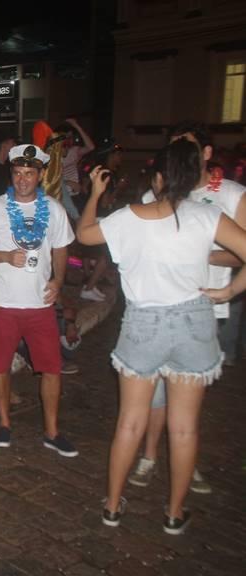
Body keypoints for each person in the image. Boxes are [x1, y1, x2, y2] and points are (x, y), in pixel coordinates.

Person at [77, 140, 246, 534]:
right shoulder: (208, 216)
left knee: (129, 422)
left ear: (156, 178)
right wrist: (229, 291)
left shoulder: (128, 217)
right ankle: (173, 514)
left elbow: (84, 234)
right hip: (194, 323)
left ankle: (113, 506)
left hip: (144, 324)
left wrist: (96, 194)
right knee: (184, 428)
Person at [127, 122, 246, 495]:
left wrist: (208, 261)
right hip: (157, 307)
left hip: (204, 308)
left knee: (187, 399)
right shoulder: (154, 194)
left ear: (206, 153)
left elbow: (240, 252)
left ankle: (185, 462)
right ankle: (149, 456)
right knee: (155, 393)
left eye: (187, 146)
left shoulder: (231, 195)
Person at [0, 144, 78, 456]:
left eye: (29, 173)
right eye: (17, 173)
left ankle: (52, 431)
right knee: (0, 366)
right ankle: (4, 424)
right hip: (3, 303)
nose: (22, 179)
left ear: (40, 175)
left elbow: (61, 249)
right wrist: (4, 256)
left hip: (40, 304)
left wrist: (58, 281)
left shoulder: (54, 210)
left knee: (51, 368)